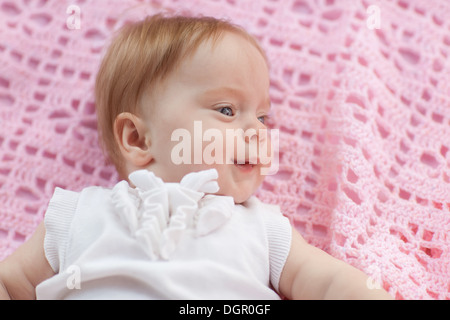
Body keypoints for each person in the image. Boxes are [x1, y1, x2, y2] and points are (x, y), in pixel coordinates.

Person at [0, 14, 392, 299]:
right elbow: (11, 281)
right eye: (226, 110)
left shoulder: (263, 228)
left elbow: (328, 283)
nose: (258, 130)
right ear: (137, 138)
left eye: (262, 116)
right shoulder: (77, 215)